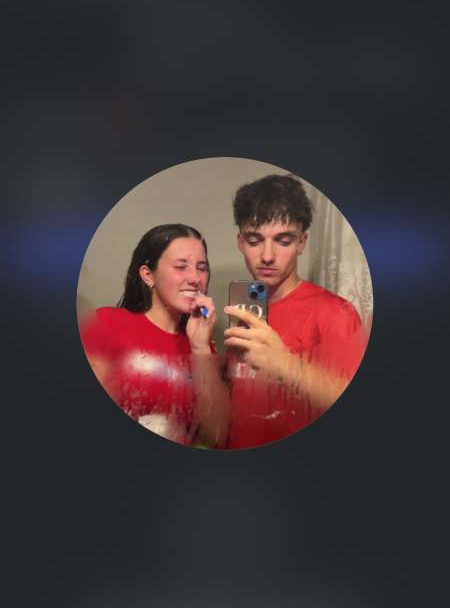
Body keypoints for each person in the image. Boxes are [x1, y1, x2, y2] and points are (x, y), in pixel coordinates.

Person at [223, 174, 368, 449]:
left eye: (283, 241)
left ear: (302, 242)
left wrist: (284, 364)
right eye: (254, 240)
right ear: (240, 242)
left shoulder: (336, 313)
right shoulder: (246, 309)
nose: (267, 256)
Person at [79, 224, 228, 447]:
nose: (195, 278)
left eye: (202, 268)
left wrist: (200, 347)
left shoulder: (205, 347)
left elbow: (217, 436)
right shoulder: (107, 322)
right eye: (181, 266)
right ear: (148, 275)